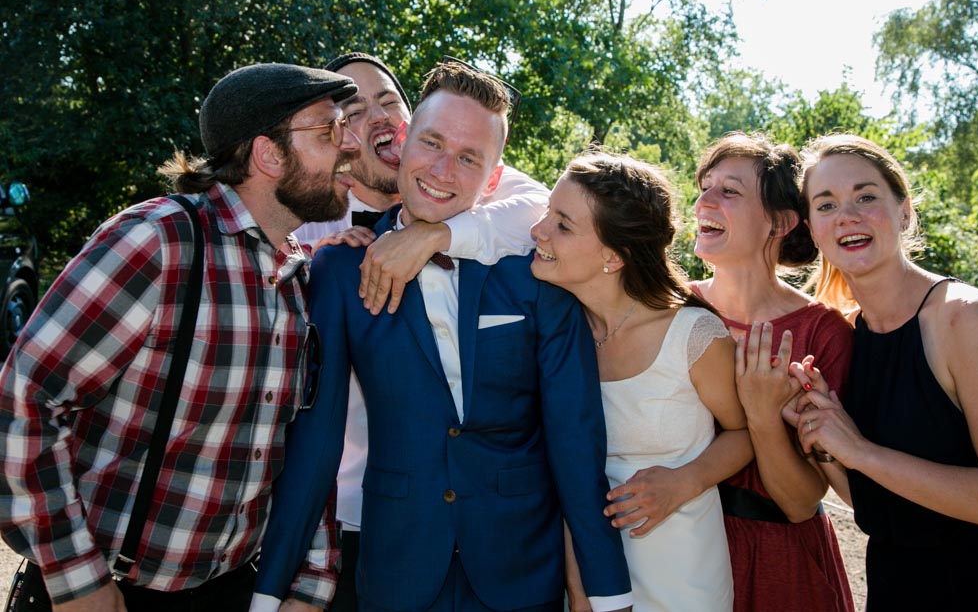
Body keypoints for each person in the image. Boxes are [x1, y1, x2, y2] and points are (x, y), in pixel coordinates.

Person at [252, 62, 632, 612]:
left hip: (522, 571)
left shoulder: (536, 269)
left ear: (493, 178)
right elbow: (316, 440)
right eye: (431, 143)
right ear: (402, 144)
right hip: (396, 569)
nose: (443, 169)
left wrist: (610, 594)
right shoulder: (341, 268)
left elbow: (576, 441)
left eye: (468, 158)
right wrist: (268, 593)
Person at [0, 63, 362, 612]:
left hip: (230, 591)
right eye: (328, 130)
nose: (352, 145)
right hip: (109, 593)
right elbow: (23, 399)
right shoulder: (158, 242)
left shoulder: (296, 279)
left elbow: (297, 449)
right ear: (268, 154)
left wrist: (310, 584)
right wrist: (78, 582)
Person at [291, 52, 548, 612]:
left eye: (388, 100)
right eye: (355, 110)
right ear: (337, 137)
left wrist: (436, 236)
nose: (379, 117)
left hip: (475, 525)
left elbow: (543, 207)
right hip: (343, 516)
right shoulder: (313, 223)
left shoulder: (485, 188)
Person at [530, 152, 749, 611]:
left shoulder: (693, 336)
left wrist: (685, 480)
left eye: (563, 225)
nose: (539, 231)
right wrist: (579, 588)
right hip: (587, 573)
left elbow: (748, 433)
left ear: (613, 256)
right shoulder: (556, 332)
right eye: (547, 212)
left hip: (683, 576)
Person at [795, 134, 978, 611]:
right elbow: (875, 509)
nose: (848, 215)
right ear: (813, 229)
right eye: (827, 205)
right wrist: (822, 437)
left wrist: (861, 451)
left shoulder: (965, 318)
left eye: (866, 196)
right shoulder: (845, 337)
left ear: (904, 211)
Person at [689, 132, 854, 612]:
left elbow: (803, 502)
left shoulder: (824, 334)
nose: (705, 200)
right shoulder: (672, 306)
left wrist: (762, 417)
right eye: (705, 185)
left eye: (730, 191)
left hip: (785, 568)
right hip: (679, 549)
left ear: (779, 223)